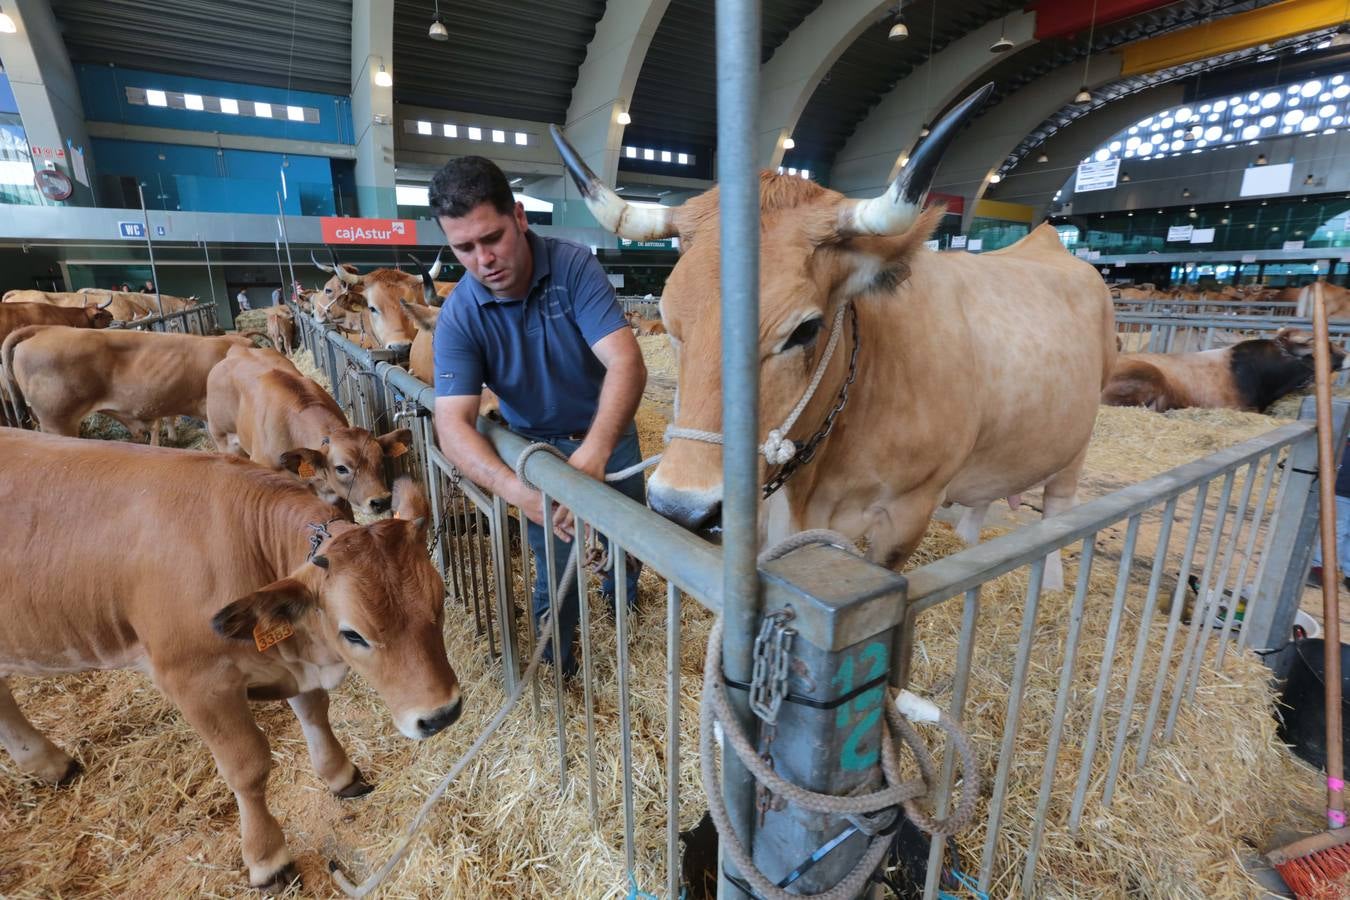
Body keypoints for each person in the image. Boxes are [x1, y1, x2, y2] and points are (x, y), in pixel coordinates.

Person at [429, 156, 647, 677]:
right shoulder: (460, 315)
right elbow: (451, 424)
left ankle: (626, 605)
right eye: (464, 248)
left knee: (630, 540)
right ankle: (560, 663)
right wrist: (518, 492)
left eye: (493, 238)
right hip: (535, 457)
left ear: (520, 217)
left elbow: (627, 361)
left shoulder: (573, 268)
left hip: (607, 438)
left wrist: (593, 454)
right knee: (555, 567)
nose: (484, 260)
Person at [1309, 436, 1350, 591]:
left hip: (1341, 486)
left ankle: (1347, 572)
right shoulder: (1343, 441)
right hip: (1340, 490)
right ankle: (1321, 567)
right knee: (1335, 530)